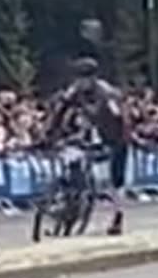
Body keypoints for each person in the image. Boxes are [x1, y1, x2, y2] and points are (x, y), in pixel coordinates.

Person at [46, 57, 128, 235]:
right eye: (78, 78)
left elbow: (119, 119)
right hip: (91, 131)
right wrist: (50, 132)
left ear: (93, 78)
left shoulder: (107, 93)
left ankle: (117, 216)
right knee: (72, 155)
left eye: (83, 78)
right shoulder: (74, 90)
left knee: (113, 180)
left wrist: (115, 142)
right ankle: (68, 198)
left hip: (114, 136)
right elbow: (61, 110)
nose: (80, 83)